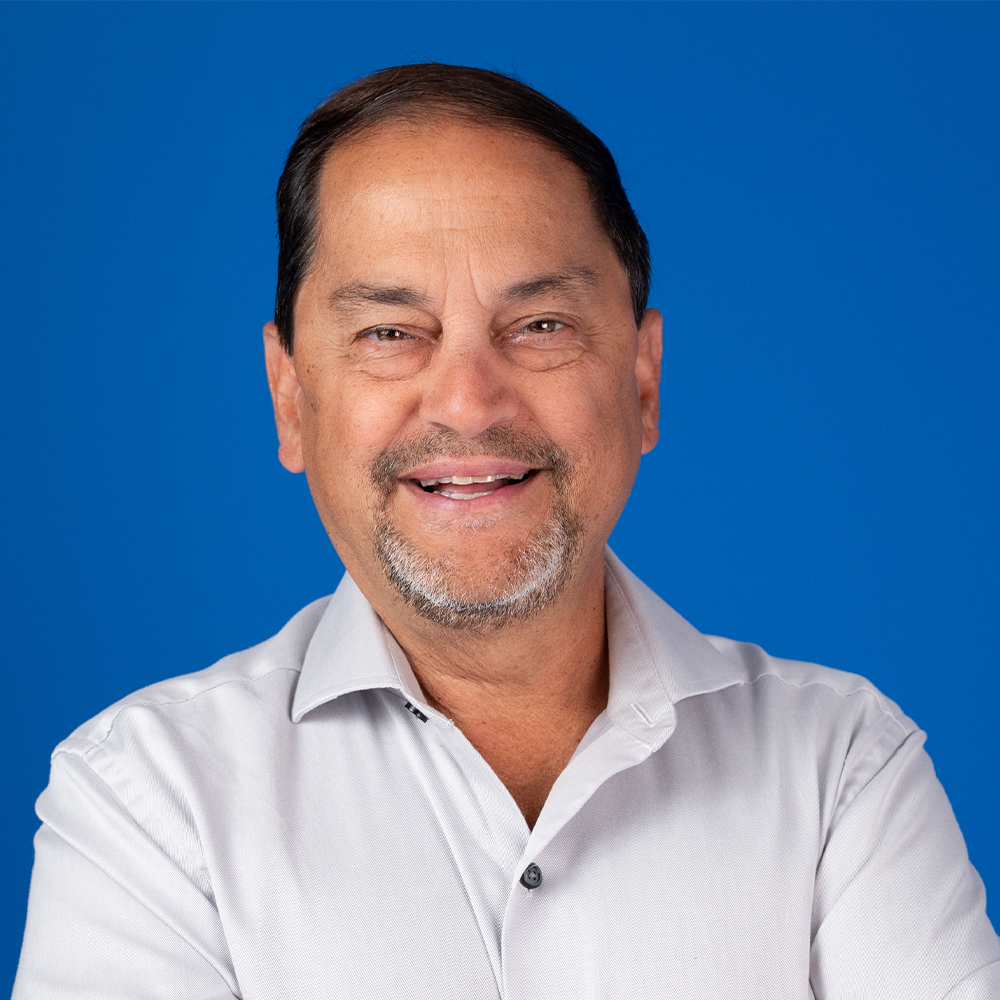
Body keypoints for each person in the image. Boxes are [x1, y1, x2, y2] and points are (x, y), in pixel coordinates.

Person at [12, 63, 999, 999]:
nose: (468, 403)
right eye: (389, 333)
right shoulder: (147, 801)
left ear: (643, 381)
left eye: (540, 326)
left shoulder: (842, 769)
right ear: (290, 398)